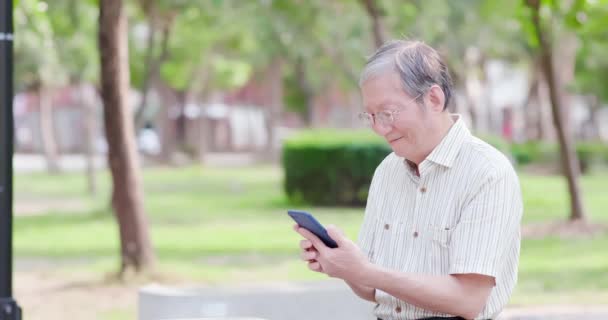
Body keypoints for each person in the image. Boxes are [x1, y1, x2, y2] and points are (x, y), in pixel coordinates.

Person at [294, 40, 523, 320]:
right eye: (371, 116)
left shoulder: (487, 173)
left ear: (434, 99)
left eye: (388, 113)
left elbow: (468, 299)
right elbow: (374, 288)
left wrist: (365, 270)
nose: (379, 128)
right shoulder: (387, 171)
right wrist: (345, 266)